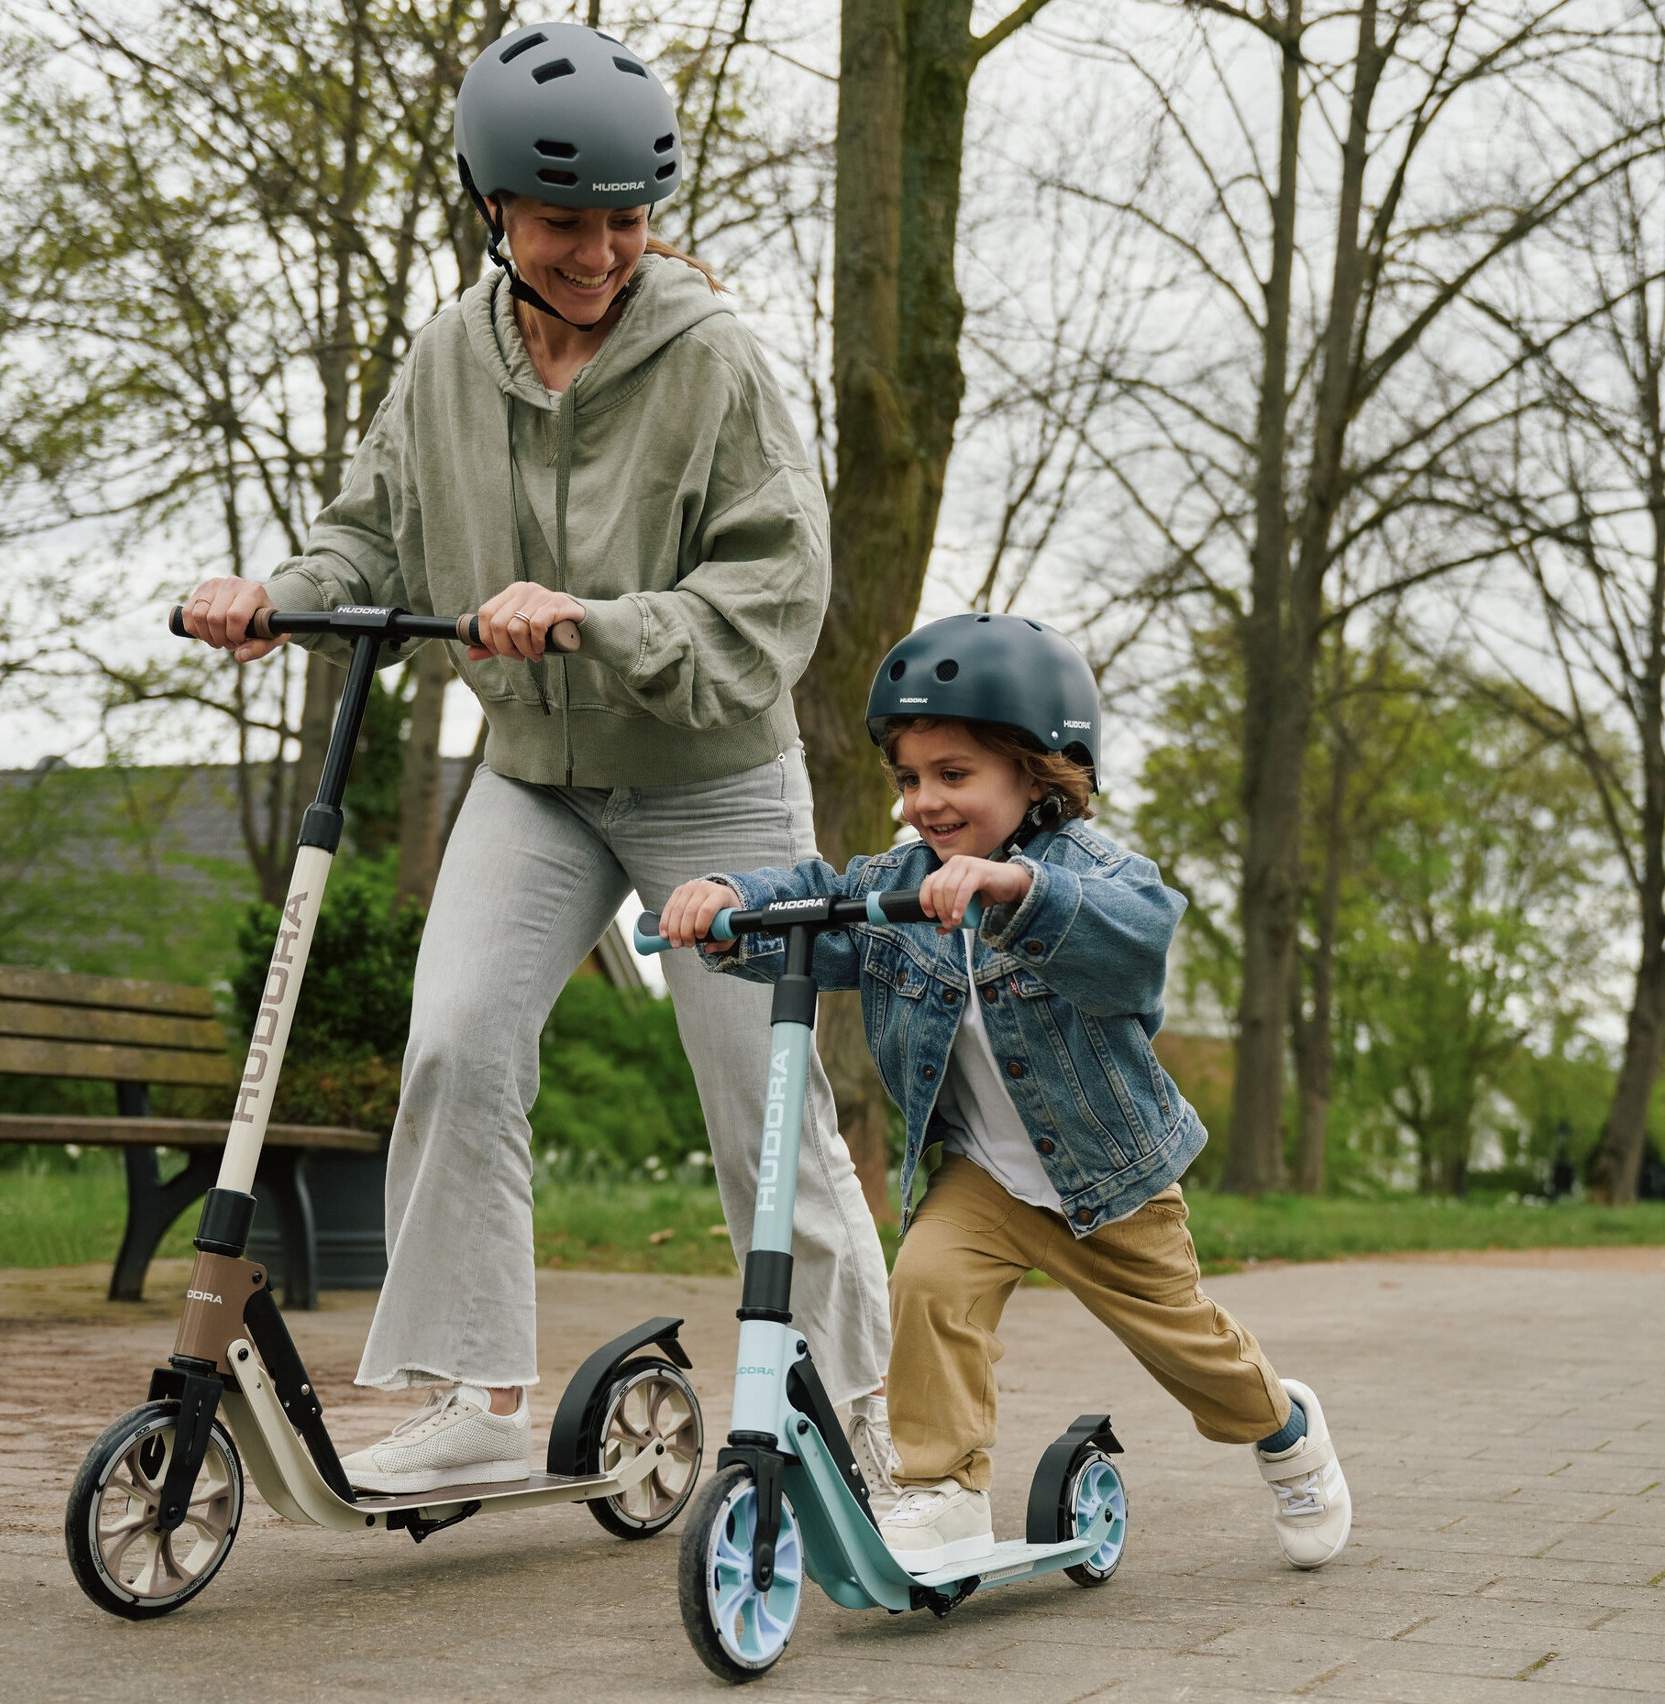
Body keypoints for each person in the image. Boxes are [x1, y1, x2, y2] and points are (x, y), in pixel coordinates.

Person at [178, 21, 896, 1498]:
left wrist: (596, 620)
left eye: (628, 220)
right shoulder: (447, 355)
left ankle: (857, 1414)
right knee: (455, 1043)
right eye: (567, 222)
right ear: (493, 206)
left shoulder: (719, 367)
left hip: (710, 772)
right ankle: (476, 1396)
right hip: (533, 778)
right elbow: (372, 525)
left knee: (761, 1103)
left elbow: (773, 604)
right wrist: (279, 594)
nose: (600, 252)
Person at [659, 612, 1353, 1573]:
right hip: (982, 1179)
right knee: (928, 1289)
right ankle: (943, 1491)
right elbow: (819, 898)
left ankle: (1284, 1429)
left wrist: (1017, 892)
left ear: (1039, 772)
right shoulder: (901, 882)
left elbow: (1136, 944)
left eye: (953, 775)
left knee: (1193, 1355)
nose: (923, 803)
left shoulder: (1097, 874)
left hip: (1108, 1181)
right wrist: (727, 903)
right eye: (909, 778)